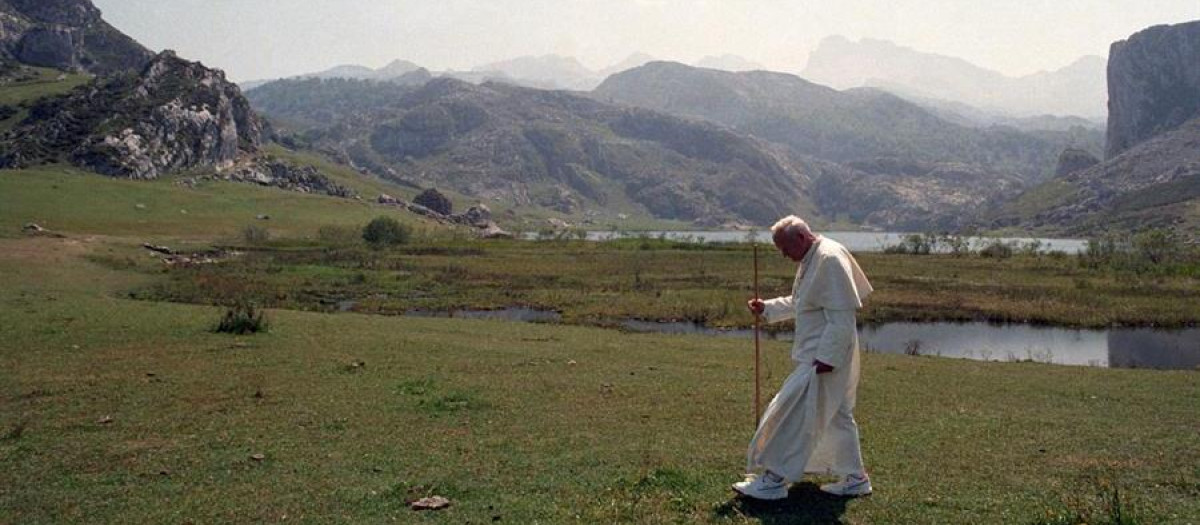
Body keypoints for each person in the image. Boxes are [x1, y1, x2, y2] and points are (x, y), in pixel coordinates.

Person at [732, 215, 874, 501]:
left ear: (801, 238)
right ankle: (856, 478)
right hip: (823, 355)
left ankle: (773, 479)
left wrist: (827, 359)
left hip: (824, 358)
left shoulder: (829, 260)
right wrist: (767, 308)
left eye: (785, 249)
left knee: (793, 412)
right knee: (837, 415)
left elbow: (842, 319)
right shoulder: (812, 257)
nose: (784, 256)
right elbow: (803, 303)